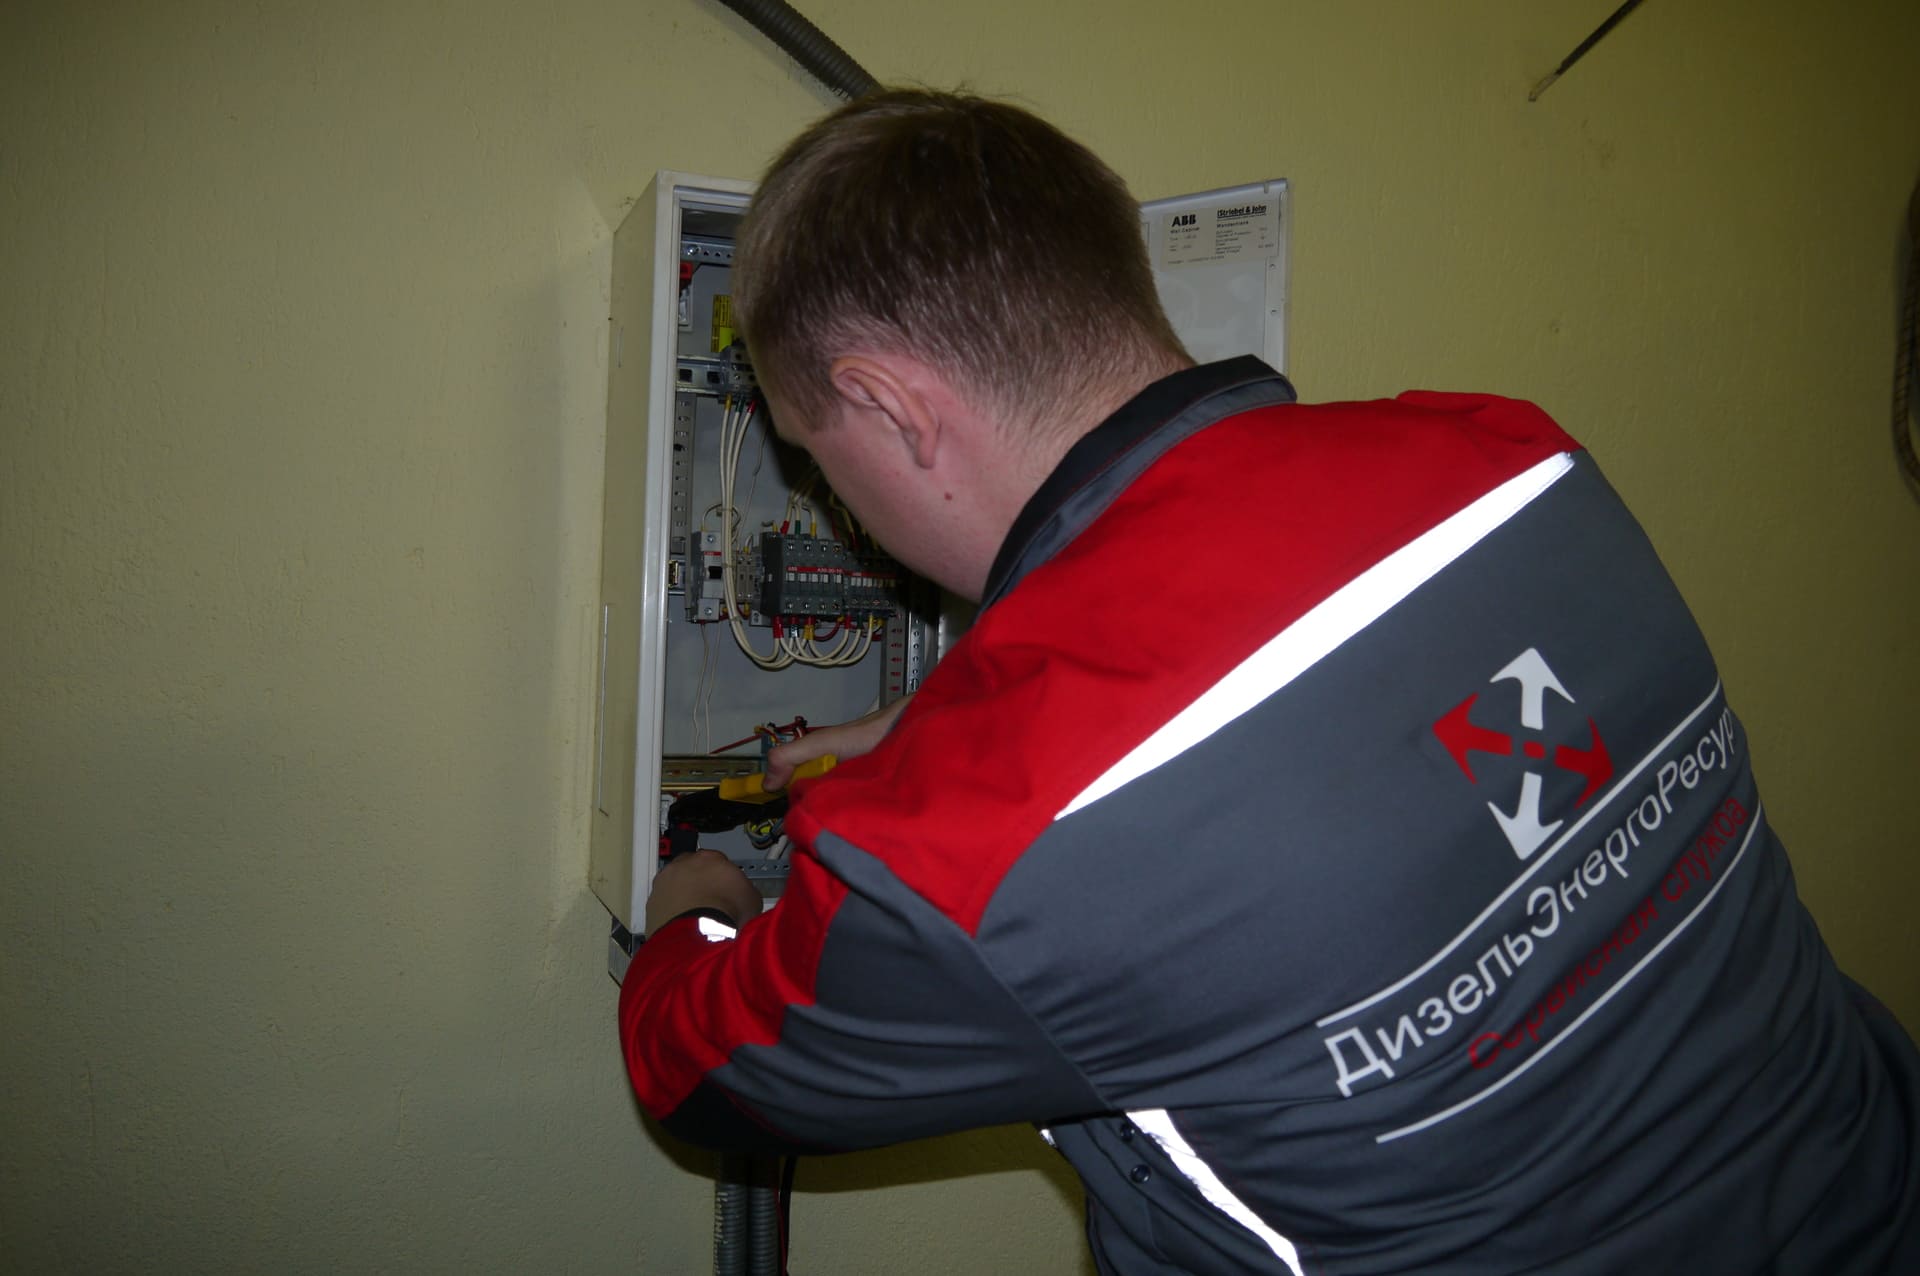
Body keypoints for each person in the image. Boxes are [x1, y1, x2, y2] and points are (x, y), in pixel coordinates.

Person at [619, 89, 1920, 1275]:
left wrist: (696, 906)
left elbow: (699, 1072)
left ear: (887, 404)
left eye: (817, 458)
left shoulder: (976, 837)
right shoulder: (1513, 457)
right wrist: (948, 720)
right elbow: (1333, 719)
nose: (837, 509)